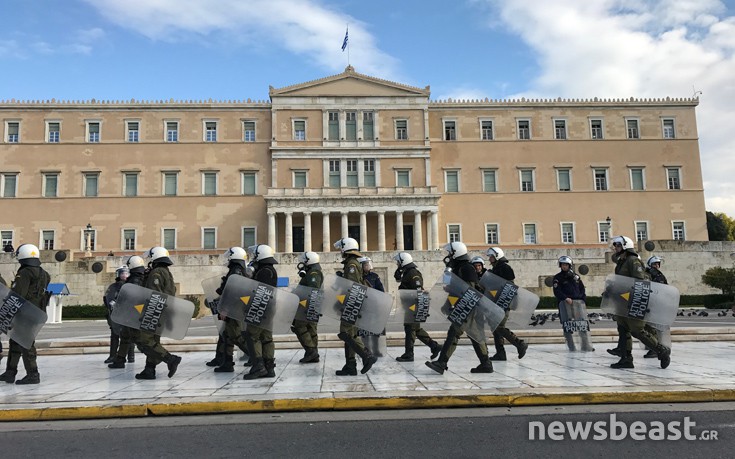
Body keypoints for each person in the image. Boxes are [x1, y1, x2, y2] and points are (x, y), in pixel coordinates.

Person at [426, 241, 493, 374]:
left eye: (450, 252)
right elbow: (451, 286)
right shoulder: (459, 267)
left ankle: (441, 362)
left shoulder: (466, 268)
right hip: (466, 306)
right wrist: (447, 304)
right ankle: (486, 364)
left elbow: (468, 290)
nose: (449, 255)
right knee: (474, 335)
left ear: (456, 253)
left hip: (467, 306)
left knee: (454, 333)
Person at [607, 236, 671, 369]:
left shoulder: (633, 261)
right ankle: (626, 359)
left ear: (625, 246)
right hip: (623, 302)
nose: (616, 248)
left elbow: (640, 281)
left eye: (618, 246)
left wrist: (633, 297)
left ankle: (661, 350)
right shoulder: (621, 262)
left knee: (637, 330)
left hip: (634, 300)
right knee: (623, 330)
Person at [0, 244, 50, 385]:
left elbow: (17, 294)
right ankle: (10, 371)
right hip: (36, 312)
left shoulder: (25, 273)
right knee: (16, 340)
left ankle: (33, 374)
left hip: (23, 312)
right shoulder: (44, 273)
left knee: (25, 343)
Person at [134, 247, 182, 380]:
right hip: (163, 312)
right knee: (154, 340)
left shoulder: (157, 272)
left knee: (144, 339)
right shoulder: (165, 271)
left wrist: (148, 313)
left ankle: (170, 359)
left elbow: (153, 294)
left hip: (154, 311)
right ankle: (149, 369)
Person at [333, 237, 377, 376]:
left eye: (341, 248)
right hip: (354, 303)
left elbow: (352, 286)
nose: (340, 251)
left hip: (352, 303)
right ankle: (350, 365)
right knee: (350, 335)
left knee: (345, 333)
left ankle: (367, 356)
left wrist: (347, 304)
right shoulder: (353, 263)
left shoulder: (351, 264)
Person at [394, 252, 441, 362]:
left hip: (413, 306)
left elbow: (418, 289)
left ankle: (409, 354)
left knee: (410, 329)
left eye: (398, 262)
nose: (397, 264)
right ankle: (434, 346)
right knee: (416, 329)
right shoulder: (407, 272)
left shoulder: (413, 273)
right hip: (410, 306)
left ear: (403, 262)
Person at [242, 244, 280, 380]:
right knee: (266, 338)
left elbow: (259, 290)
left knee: (252, 336)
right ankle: (269, 367)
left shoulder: (264, 272)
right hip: (269, 308)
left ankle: (259, 366)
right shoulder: (269, 270)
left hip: (261, 307)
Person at [486, 247, 528, 361]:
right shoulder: (496, 268)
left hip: (504, 302)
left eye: (491, 257)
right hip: (497, 302)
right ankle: (500, 353)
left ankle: (520, 344)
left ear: (497, 257)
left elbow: (509, 287)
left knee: (499, 327)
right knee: (495, 328)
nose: (489, 259)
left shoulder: (505, 268)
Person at [213, 247, 251, 373]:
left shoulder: (236, 271)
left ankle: (257, 357)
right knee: (227, 336)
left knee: (236, 336)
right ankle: (227, 363)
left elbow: (233, 292)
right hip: (235, 307)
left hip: (234, 308)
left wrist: (226, 309)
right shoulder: (237, 270)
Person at [108, 256, 145, 369]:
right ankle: (119, 359)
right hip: (128, 314)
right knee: (124, 337)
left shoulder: (135, 280)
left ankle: (168, 359)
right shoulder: (139, 279)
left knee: (140, 340)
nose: (124, 275)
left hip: (131, 314)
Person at [552, 255, 592, 351]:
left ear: (570, 265)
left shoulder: (576, 277)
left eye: (566, 265)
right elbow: (557, 291)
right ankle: (571, 346)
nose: (564, 266)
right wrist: (565, 298)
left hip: (578, 303)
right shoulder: (558, 278)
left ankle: (585, 345)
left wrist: (583, 299)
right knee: (568, 325)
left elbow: (582, 288)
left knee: (582, 324)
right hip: (566, 304)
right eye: (563, 265)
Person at [292, 251, 324, 364]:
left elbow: (312, 288)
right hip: (311, 305)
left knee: (299, 326)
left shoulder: (314, 272)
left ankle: (311, 351)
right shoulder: (312, 271)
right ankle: (313, 353)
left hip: (309, 305)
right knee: (311, 329)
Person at [103, 266, 131, 364]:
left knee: (129, 336)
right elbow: (108, 298)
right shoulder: (113, 286)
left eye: (126, 273)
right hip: (116, 314)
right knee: (114, 335)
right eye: (122, 273)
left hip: (128, 314)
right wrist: (114, 306)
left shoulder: (132, 286)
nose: (124, 275)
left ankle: (131, 356)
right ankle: (112, 355)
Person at [643, 255, 669, 358]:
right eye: (655, 264)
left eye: (658, 264)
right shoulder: (649, 274)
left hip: (657, 304)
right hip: (650, 304)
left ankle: (656, 348)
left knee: (653, 328)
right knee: (649, 327)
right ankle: (654, 347)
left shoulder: (659, 275)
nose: (657, 266)